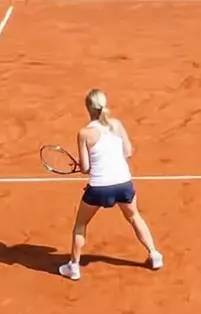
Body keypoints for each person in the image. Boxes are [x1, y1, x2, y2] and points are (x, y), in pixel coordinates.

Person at [57, 89, 164, 280]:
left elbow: (86, 168)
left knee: (80, 224)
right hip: (124, 184)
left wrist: (83, 165)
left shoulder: (84, 133)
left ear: (88, 108)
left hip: (99, 189)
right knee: (134, 216)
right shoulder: (117, 125)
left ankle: (73, 266)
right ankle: (154, 254)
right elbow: (128, 151)